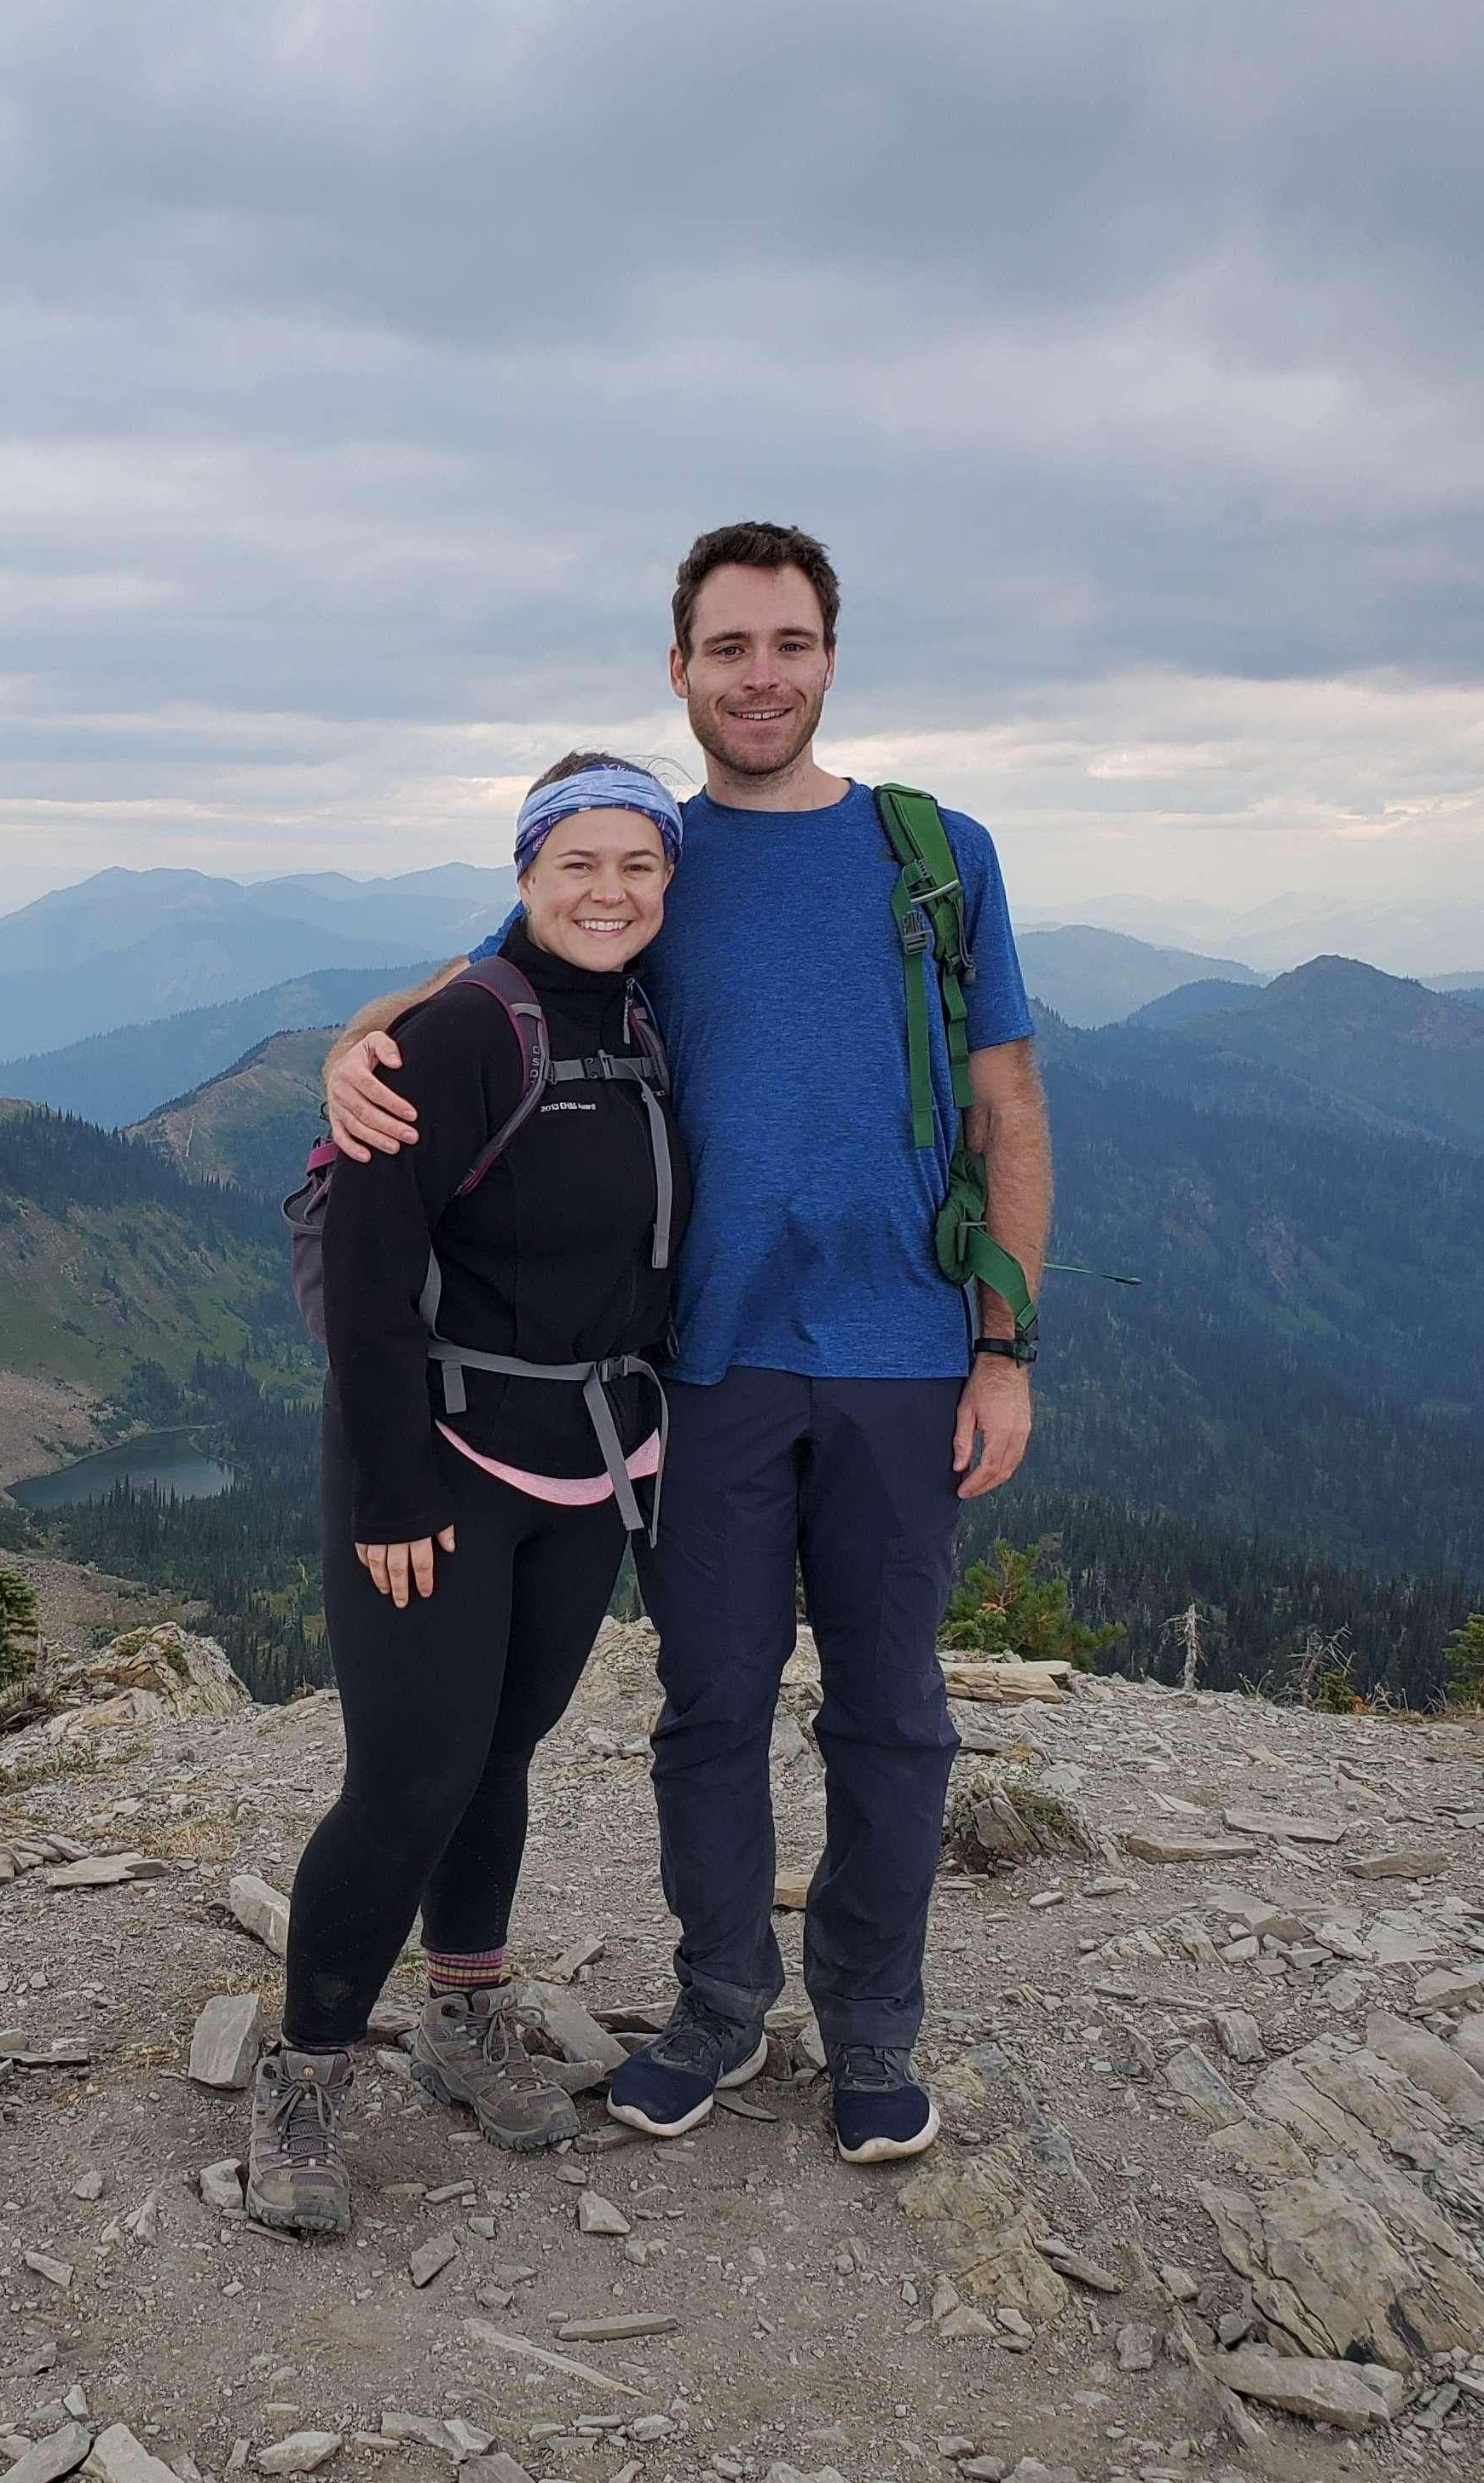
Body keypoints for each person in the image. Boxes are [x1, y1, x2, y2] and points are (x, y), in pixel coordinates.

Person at [324, 522, 1050, 2167]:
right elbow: (494, 965)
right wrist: (349, 1046)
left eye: (788, 644)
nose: (761, 676)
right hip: (703, 1366)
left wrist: (1005, 1346)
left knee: (891, 1712)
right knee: (711, 1709)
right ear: (680, 669)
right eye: (728, 649)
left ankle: (872, 2029)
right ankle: (722, 2006)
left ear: (830, 660)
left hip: (901, 1350)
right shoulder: (658, 849)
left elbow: (1008, 1102)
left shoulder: (940, 855)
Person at [246, 756, 691, 2237]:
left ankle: (461, 2011)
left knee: (504, 1748)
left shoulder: (643, 1016)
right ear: (524, 872)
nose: (611, 890)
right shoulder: (456, 1036)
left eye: (640, 863)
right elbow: (371, 1277)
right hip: (437, 1465)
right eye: (579, 863)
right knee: (410, 1778)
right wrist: (385, 1491)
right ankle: (306, 2068)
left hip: (590, 1458)